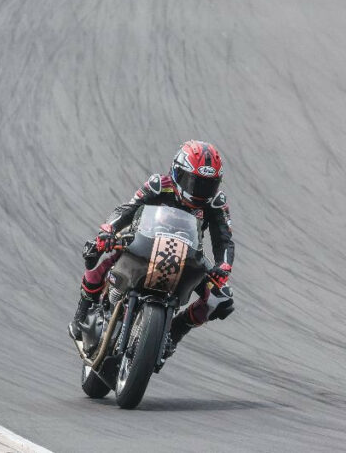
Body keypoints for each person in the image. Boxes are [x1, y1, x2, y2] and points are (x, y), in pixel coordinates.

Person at [68, 141, 236, 352]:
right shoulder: (159, 184)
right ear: (177, 172)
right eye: (195, 182)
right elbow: (128, 209)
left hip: (188, 254)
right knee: (98, 251)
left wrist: (224, 266)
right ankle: (83, 313)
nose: (201, 191)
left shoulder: (216, 202)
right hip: (143, 240)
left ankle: (175, 331)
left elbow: (224, 239)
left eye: (208, 185)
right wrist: (107, 232)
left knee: (222, 299)